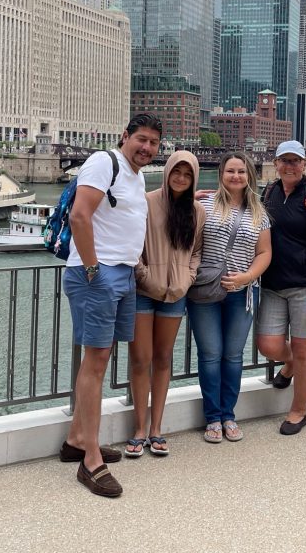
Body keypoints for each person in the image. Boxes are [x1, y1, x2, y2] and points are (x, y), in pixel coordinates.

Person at [60, 113, 162, 498]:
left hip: (120, 274)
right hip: (97, 274)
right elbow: (80, 215)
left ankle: (76, 441)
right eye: (141, 139)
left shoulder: (135, 177)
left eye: (153, 143)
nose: (146, 148)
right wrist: (92, 270)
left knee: (101, 357)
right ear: (126, 137)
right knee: (97, 359)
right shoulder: (105, 162)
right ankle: (91, 462)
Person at [187, 152, 272, 444]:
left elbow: (265, 253)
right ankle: (212, 417)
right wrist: (186, 199)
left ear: (250, 175)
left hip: (243, 292)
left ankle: (228, 414)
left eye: (242, 171)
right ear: (221, 174)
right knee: (210, 355)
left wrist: (247, 277)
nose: (236, 176)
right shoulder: (205, 204)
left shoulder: (260, 211)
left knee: (232, 356)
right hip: (206, 290)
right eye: (230, 171)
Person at [127, 151, 204, 458]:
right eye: (177, 171)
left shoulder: (197, 211)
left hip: (176, 294)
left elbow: (197, 250)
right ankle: (139, 428)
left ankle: (157, 427)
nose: (181, 178)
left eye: (187, 174)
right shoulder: (145, 202)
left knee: (162, 358)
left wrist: (188, 278)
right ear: (168, 171)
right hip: (144, 291)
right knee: (140, 358)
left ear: (193, 177)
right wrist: (144, 275)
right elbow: (132, 244)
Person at [256, 140, 306, 435]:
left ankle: (299, 411)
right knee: (268, 345)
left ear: (304, 165)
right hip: (273, 284)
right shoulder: (269, 193)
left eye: (295, 161)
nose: (290, 166)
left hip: (305, 285)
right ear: (275, 164)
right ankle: (290, 366)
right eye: (284, 161)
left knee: (305, 349)